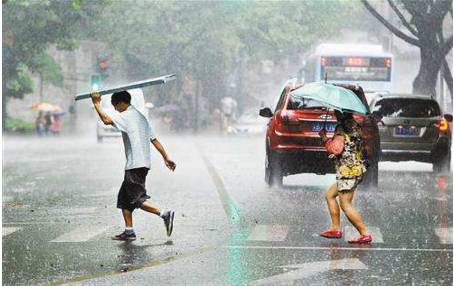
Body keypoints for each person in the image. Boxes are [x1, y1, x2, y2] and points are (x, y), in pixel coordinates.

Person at [90, 91, 176, 241]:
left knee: (137, 199)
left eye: (115, 106)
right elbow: (154, 140)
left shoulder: (127, 116)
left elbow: (105, 119)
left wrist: (96, 103)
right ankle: (129, 232)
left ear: (121, 103)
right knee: (124, 198)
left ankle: (164, 213)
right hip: (142, 164)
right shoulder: (141, 117)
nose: (115, 109)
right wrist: (166, 157)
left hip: (135, 165)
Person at [318, 111, 372, 244]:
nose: (335, 114)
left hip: (348, 171)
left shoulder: (341, 128)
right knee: (330, 195)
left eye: (337, 112)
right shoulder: (355, 126)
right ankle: (335, 228)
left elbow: (336, 149)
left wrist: (325, 138)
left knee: (345, 204)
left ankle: (365, 233)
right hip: (355, 168)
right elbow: (352, 146)